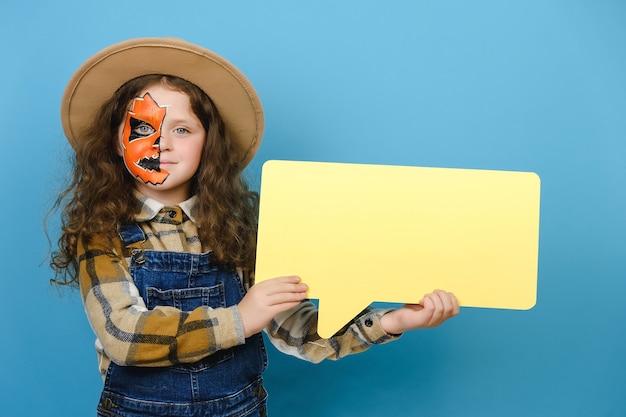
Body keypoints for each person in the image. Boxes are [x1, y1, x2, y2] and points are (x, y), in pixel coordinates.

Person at [50, 37, 460, 417]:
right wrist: (240, 319)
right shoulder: (101, 230)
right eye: (143, 128)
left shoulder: (239, 230)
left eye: (181, 129)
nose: (161, 145)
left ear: (209, 143)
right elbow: (124, 335)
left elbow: (296, 330)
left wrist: (392, 322)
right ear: (116, 141)